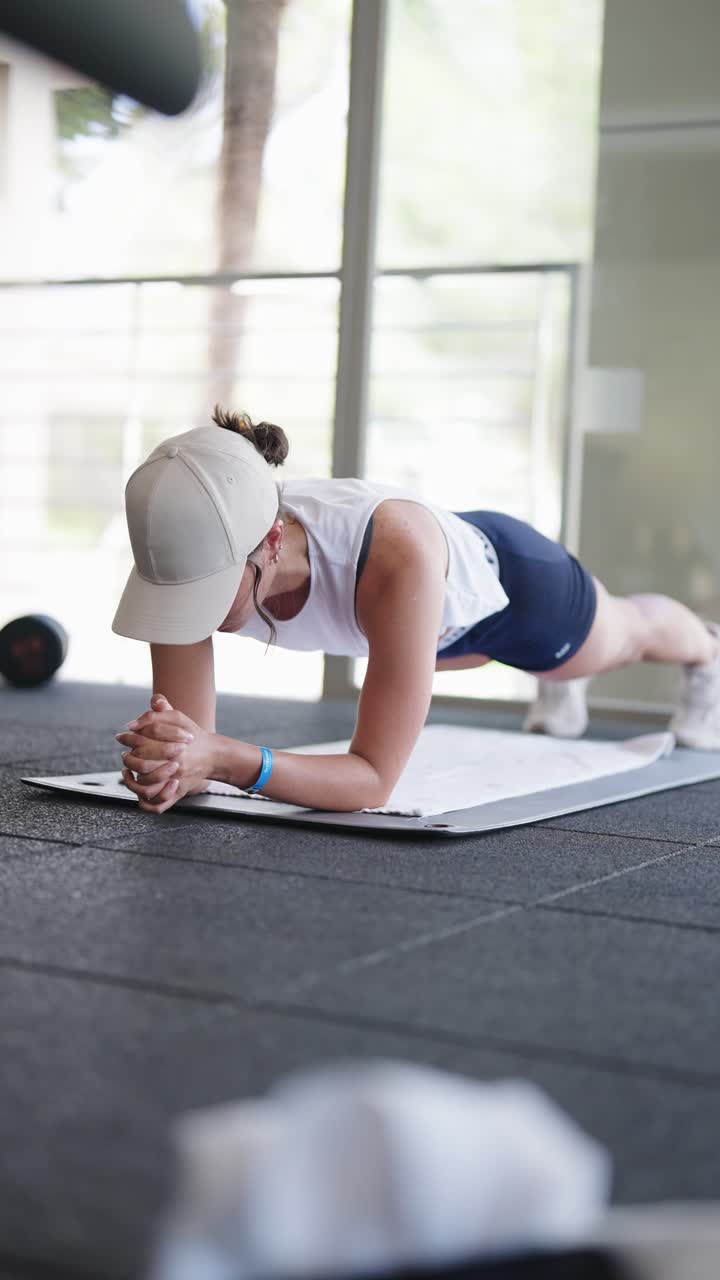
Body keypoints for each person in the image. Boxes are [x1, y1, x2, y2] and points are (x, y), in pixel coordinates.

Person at [112, 408, 720, 815]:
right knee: (418, 652)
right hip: (410, 620)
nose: (199, 613)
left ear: (271, 541)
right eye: (184, 593)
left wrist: (222, 758)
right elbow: (187, 739)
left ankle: (707, 650)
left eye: (214, 591)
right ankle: (555, 679)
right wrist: (173, 760)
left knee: (621, 638)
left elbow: (372, 780)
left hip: (519, 591)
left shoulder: (391, 556)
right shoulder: (189, 548)